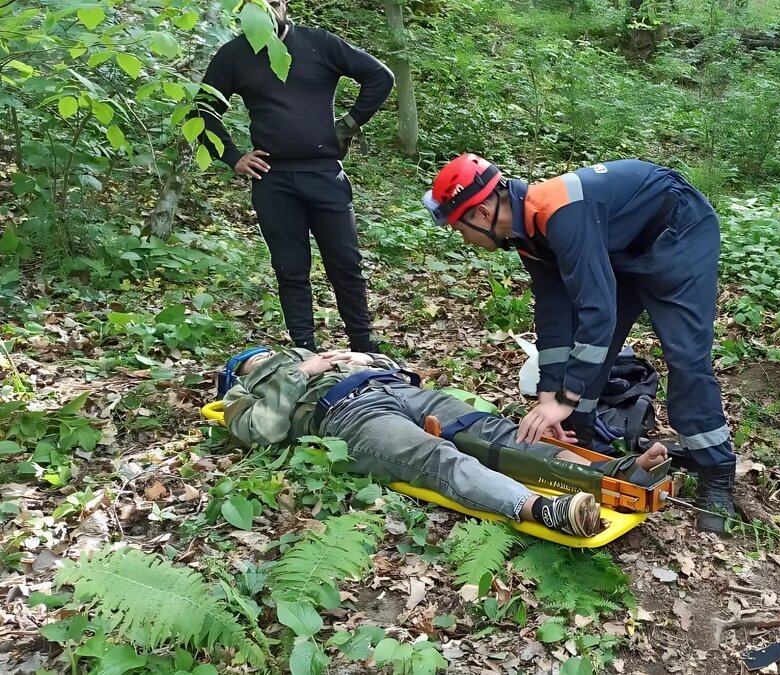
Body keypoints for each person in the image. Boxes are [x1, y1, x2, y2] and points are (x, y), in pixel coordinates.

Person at [421, 155, 737, 535]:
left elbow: (598, 314)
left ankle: (717, 471)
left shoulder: (561, 214)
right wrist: (549, 396)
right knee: (584, 350)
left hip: (676, 234)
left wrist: (566, 397)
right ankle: (584, 451)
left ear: (483, 211)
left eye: (458, 227)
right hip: (618, 246)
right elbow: (555, 315)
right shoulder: (527, 235)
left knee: (686, 355)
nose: (462, 237)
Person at [219, 347, 669, 538]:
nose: (268, 354)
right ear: (243, 370)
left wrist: (364, 358)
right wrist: (301, 373)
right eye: (256, 358)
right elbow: (263, 431)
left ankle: (614, 472)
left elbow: (401, 367)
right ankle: (544, 510)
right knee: (436, 457)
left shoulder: (318, 354)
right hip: (348, 413)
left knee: (495, 431)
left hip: (396, 390)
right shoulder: (245, 391)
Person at [196, 0, 393, 353]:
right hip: (273, 180)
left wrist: (347, 126)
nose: (269, 10)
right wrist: (232, 156)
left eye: (274, 2)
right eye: (258, 4)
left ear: (285, 4)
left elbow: (380, 76)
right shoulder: (234, 55)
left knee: (345, 263)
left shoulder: (319, 43)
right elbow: (202, 111)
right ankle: (304, 349)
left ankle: (364, 347)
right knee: (290, 268)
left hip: (324, 174)